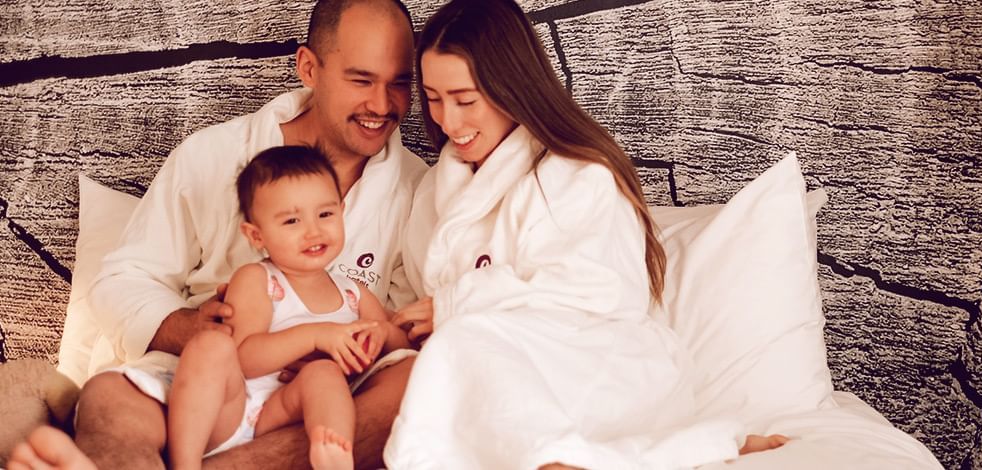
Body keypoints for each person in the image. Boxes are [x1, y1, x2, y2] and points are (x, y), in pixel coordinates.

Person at [8, 0, 426, 469]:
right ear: (309, 67)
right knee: (109, 397)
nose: (382, 104)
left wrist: (351, 348)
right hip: (206, 380)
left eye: (400, 82)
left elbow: (400, 326)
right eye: (361, 79)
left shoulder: (419, 189)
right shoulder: (212, 155)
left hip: (333, 392)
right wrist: (190, 330)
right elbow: (123, 279)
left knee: (418, 387)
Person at [384, 0, 787, 468]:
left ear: (511, 87)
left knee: (461, 349)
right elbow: (411, 299)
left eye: (465, 99)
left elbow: (596, 289)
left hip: (600, 368)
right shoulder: (435, 188)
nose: (448, 122)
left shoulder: (576, 174)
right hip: (483, 369)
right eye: (433, 99)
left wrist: (455, 308)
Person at [167, 146, 413, 470]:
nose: (313, 231)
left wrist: (382, 333)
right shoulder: (258, 279)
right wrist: (316, 336)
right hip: (238, 410)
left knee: (322, 373)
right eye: (292, 220)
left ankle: (335, 454)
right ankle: (184, 464)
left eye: (325, 214)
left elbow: (400, 352)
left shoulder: (353, 292)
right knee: (210, 345)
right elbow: (244, 358)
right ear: (256, 235)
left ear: (342, 211)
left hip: (292, 413)